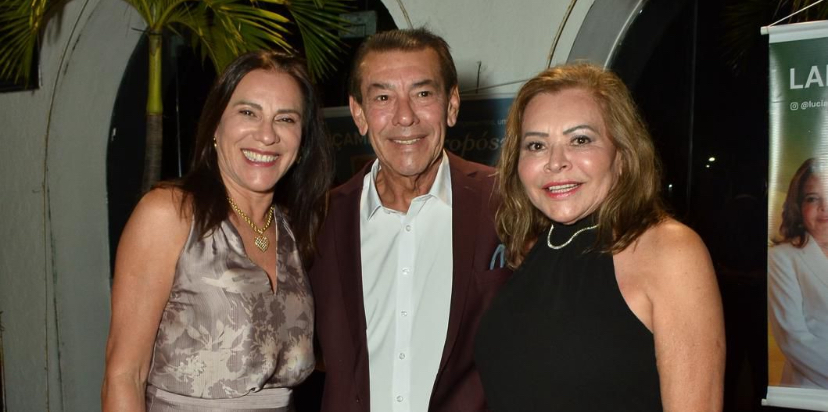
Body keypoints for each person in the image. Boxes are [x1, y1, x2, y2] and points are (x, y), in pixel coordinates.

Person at [474, 64, 725, 411]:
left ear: (622, 154)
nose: (555, 162)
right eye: (536, 145)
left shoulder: (668, 250)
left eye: (580, 140)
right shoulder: (535, 248)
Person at [101, 50, 332, 411]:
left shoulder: (292, 231)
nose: (266, 135)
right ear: (214, 126)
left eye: (285, 119)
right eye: (248, 113)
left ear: (302, 142)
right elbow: (125, 376)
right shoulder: (169, 214)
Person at [308, 28, 510, 412]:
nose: (404, 116)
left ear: (452, 105)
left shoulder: (506, 203)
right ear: (359, 113)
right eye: (383, 97)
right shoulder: (320, 220)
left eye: (423, 94)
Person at [769, 157, 828, 388]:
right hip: (811, 390)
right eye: (813, 198)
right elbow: (794, 339)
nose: (824, 207)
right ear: (798, 206)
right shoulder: (782, 257)